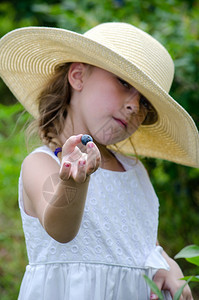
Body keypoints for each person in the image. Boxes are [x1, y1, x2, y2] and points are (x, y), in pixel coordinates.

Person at [0, 22, 198, 300]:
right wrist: (73, 183)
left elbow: (142, 244)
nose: (133, 105)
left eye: (145, 103)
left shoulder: (135, 171)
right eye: (125, 83)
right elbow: (61, 229)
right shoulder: (43, 164)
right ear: (78, 76)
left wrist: (167, 264)